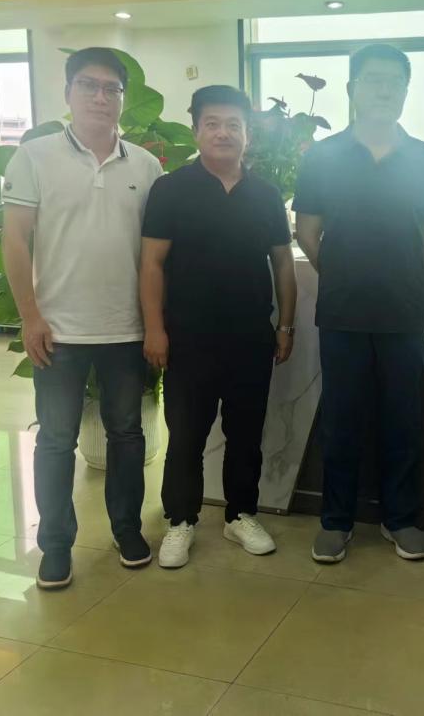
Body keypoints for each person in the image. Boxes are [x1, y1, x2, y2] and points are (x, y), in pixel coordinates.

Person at [3, 47, 163, 589]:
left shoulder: (146, 165)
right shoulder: (34, 156)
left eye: (111, 88)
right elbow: (16, 240)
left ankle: (127, 531)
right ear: (68, 93)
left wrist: (154, 323)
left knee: (127, 435)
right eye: (89, 86)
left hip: (125, 329)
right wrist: (30, 316)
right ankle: (55, 547)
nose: (100, 97)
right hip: (58, 330)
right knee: (55, 439)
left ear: (122, 98)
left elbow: (155, 255)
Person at [294, 43, 424, 563]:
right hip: (342, 313)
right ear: (352, 89)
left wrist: (400, 279)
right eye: (373, 80)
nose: (384, 90)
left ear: (406, 91)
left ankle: (400, 518)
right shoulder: (323, 156)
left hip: (404, 314)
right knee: (341, 421)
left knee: (403, 419)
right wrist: (345, 276)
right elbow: (307, 231)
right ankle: (336, 521)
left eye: (394, 82)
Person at [140, 85, 296, 568]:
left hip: (251, 337)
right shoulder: (170, 189)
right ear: (196, 131)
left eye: (233, 125)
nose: (223, 133)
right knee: (186, 434)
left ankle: (240, 515)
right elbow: (151, 264)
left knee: (246, 434)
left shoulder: (265, 194)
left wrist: (286, 326)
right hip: (187, 338)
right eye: (212, 124)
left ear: (247, 134)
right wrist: (154, 329)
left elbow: (283, 263)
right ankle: (181, 520)